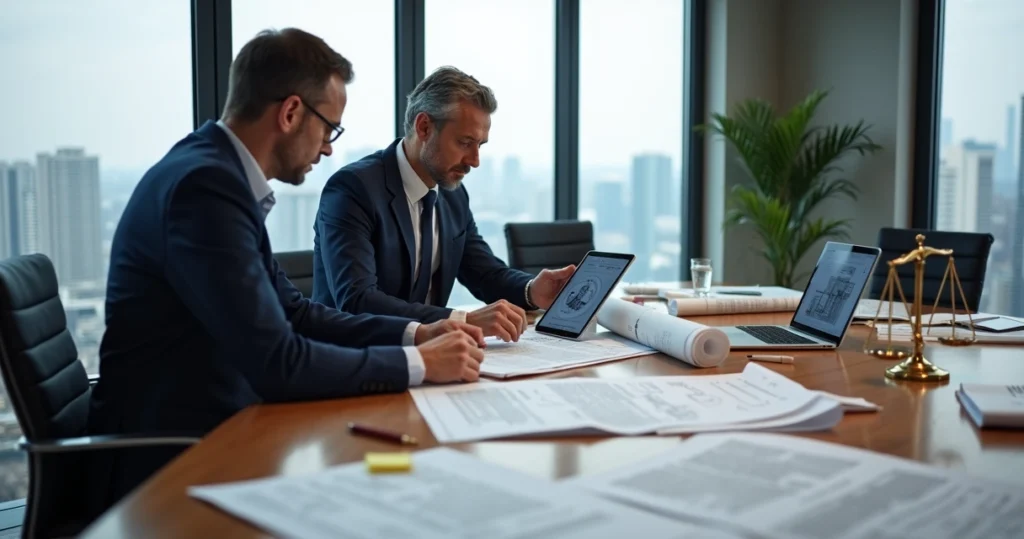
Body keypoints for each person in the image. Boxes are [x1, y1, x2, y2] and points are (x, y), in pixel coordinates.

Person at [87, 28, 484, 509]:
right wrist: (420, 365)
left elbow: (294, 312)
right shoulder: (205, 188)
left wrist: (415, 335)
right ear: (291, 112)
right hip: (174, 459)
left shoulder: (216, 174)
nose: (329, 148)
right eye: (329, 128)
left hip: (224, 427)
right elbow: (278, 362)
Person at [311, 66, 575, 342]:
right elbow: (358, 301)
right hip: (352, 361)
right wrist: (462, 321)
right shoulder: (353, 189)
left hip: (430, 358)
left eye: (480, 145)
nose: (474, 160)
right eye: (465, 142)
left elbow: (484, 272)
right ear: (424, 127)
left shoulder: (453, 195)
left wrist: (532, 290)